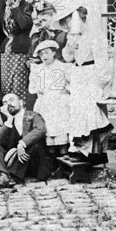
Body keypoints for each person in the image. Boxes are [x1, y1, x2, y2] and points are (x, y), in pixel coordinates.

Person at [61, 5, 113, 166]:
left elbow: (102, 61)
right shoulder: (74, 37)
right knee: (77, 112)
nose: (67, 25)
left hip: (91, 76)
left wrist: (101, 84)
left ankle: (90, 152)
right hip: (79, 75)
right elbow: (68, 58)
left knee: (89, 113)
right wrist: (70, 45)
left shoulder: (96, 35)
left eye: (69, 21)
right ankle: (78, 149)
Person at [0, 93, 49, 189]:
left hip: (33, 163)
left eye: (11, 100)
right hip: (13, 161)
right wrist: (9, 120)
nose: (8, 104)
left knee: (33, 145)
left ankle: (8, 176)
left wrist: (22, 143)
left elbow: (40, 130)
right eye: (5, 103)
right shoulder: (7, 120)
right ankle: (4, 175)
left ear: (21, 102)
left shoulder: (33, 115)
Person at [28, 40, 71, 171]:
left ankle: (63, 161)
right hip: (46, 103)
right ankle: (51, 163)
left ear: (53, 52)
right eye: (41, 54)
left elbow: (71, 82)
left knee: (61, 130)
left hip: (59, 103)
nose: (44, 56)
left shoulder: (63, 67)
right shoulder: (38, 69)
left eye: (46, 53)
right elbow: (33, 86)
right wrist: (38, 90)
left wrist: (68, 89)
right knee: (48, 131)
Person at [0, 0, 33, 101]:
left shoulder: (28, 7)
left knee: (18, 84)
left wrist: (16, 7)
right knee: (6, 84)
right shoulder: (8, 6)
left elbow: (23, 24)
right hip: (7, 48)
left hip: (20, 49)